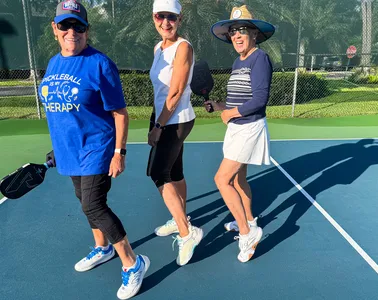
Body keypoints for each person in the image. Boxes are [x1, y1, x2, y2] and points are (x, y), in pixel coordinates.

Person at [38, 1, 149, 299]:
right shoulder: (53, 63)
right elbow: (61, 112)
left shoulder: (100, 63)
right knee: (83, 200)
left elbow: (120, 113)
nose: (71, 31)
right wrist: (57, 147)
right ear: (55, 29)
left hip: (97, 148)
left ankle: (133, 262)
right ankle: (102, 248)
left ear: (88, 30)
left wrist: (119, 152)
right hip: (69, 151)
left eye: (78, 26)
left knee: (93, 206)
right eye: (65, 25)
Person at [207, 5, 275, 263]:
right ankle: (246, 219)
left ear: (254, 34)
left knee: (222, 180)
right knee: (237, 181)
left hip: (249, 128)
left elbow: (259, 99)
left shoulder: (260, 59)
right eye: (233, 31)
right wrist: (220, 106)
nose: (237, 35)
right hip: (237, 127)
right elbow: (236, 99)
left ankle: (248, 234)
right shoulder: (238, 61)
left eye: (243, 30)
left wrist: (232, 113)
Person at [147, 0, 203, 266]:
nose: (166, 23)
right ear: (154, 17)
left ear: (179, 20)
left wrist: (159, 126)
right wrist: (156, 120)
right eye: (161, 16)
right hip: (161, 117)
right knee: (175, 172)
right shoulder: (159, 47)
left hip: (176, 120)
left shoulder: (184, 47)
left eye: (172, 17)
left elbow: (177, 91)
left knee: (158, 174)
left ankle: (186, 232)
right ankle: (181, 216)